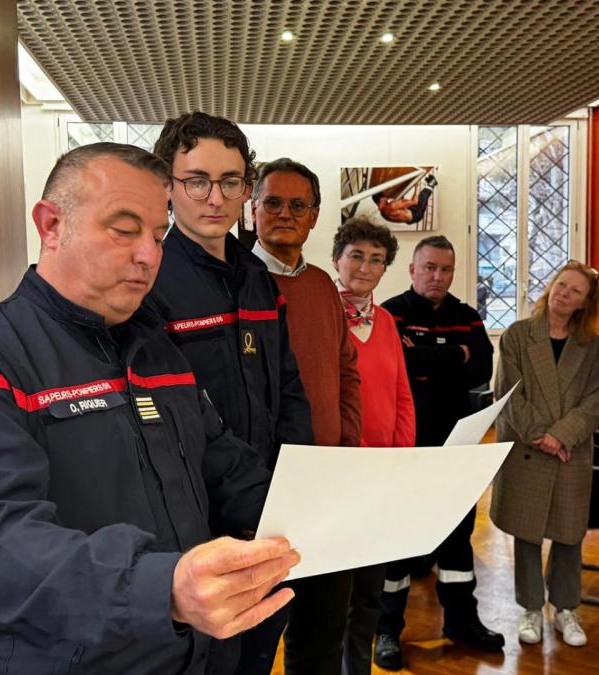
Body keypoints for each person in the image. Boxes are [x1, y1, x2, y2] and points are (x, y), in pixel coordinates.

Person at [0, 143, 299, 674]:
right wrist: (162, 588)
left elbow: (226, 468)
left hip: (194, 655)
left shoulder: (158, 352)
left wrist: (325, 511)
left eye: (158, 236)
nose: (149, 256)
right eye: (123, 230)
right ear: (51, 226)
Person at [149, 112, 314, 675]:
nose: (215, 198)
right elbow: (169, 420)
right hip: (200, 523)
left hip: (270, 512)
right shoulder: (152, 280)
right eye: (197, 181)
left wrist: (292, 483)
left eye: (230, 181)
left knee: (261, 651)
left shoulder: (256, 276)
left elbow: (288, 385)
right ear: (168, 185)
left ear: (247, 187)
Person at [251, 158, 362, 675]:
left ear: (315, 216)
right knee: (256, 632)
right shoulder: (239, 282)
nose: (285, 214)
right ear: (253, 208)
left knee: (322, 628)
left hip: (328, 480)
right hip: (264, 485)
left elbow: (346, 371)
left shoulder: (321, 286)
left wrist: (347, 447)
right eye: (273, 202)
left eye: (298, 206)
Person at [373, 235, 503, 670]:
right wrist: (454, 356)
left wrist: (426, 358)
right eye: (429, 267)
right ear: (412, 270)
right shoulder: (390, 314)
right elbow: (399, 367)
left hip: (456, 446)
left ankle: (462, 622)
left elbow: (481, 368)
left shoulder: (467, 317)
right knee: (397, 542)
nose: (437, 276)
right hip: (405, 446)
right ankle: (386, 630)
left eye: (445, 269)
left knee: (456, 540)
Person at [490, 261, 599, 648]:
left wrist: (561, 435)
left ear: (585, 303)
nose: (564, 294)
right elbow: (508, 393)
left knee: (569, 534)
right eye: (561, 285)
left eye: (575, 291)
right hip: (529, 448)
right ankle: (530, 607)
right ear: (550, 286)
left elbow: (596, 398)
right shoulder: (518, 335)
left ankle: (565, 608)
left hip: (569, 451)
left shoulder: (590, 345)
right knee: (527, 533)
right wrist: (542, 435)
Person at [330, 216, 416, 674]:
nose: (365, 267)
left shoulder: (385, 321)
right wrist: (359, 457)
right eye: (357, 256)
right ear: (337, 260)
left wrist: (398, 460)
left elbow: (402, 394)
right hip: (342, 470)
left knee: (370, 590)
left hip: (382, 475)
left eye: (377, 259)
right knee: (335, 594)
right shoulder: (323, 317)